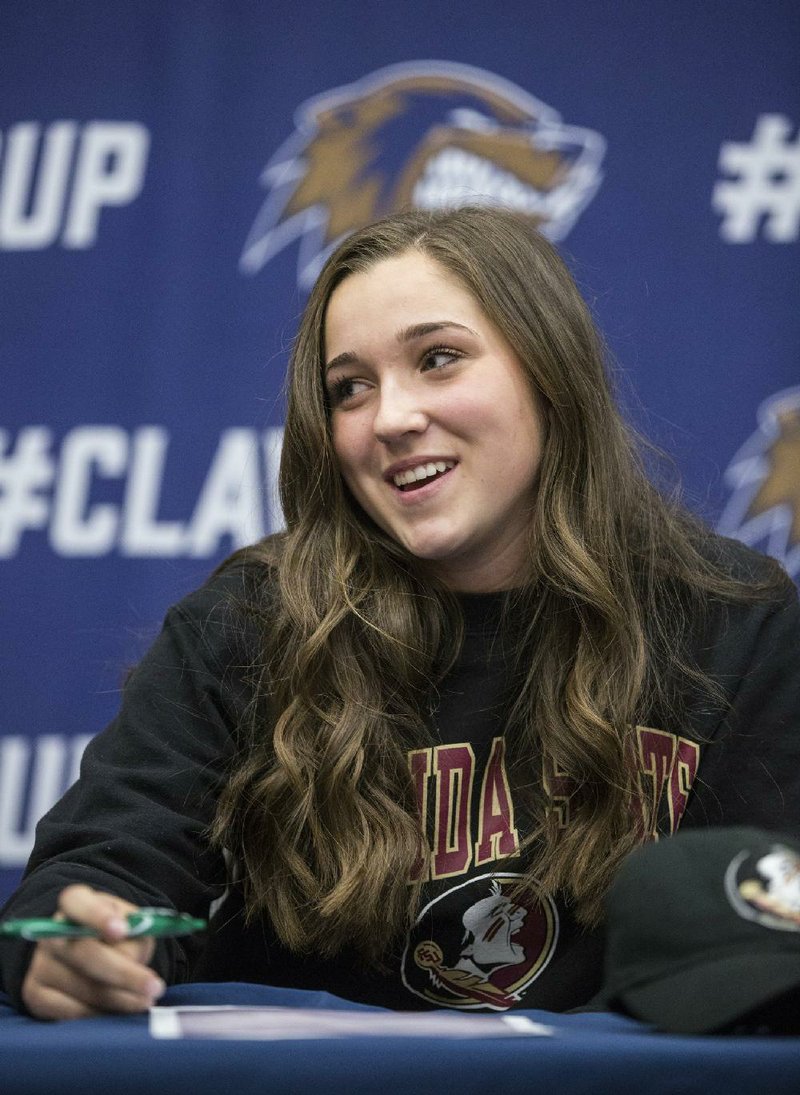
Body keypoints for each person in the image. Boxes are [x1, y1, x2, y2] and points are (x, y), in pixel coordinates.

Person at [1, 206, 798, 1021]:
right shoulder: (248, 625)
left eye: (439, 359)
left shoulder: (733, 621)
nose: (390, 418)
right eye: (350, 388)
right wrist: (73, 943)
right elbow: (105, 868)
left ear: (549, 369)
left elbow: (774, 928)